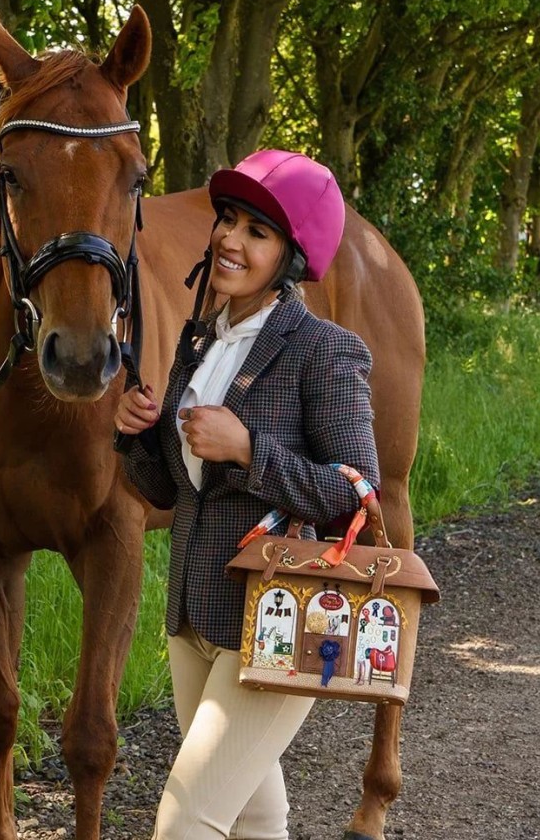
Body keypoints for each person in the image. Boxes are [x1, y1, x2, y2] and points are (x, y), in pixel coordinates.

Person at [114, 149, 380, 840]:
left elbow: (357, 495)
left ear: (291, 256)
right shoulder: (197, 344)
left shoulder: (325, 349)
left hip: (276, 622)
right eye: (228, 219)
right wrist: (139, 440)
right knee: (256, 821)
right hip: (193, 618)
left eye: (257, 232)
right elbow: (169, 495)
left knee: (185, 824)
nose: (230, 238)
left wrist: (249, 450)